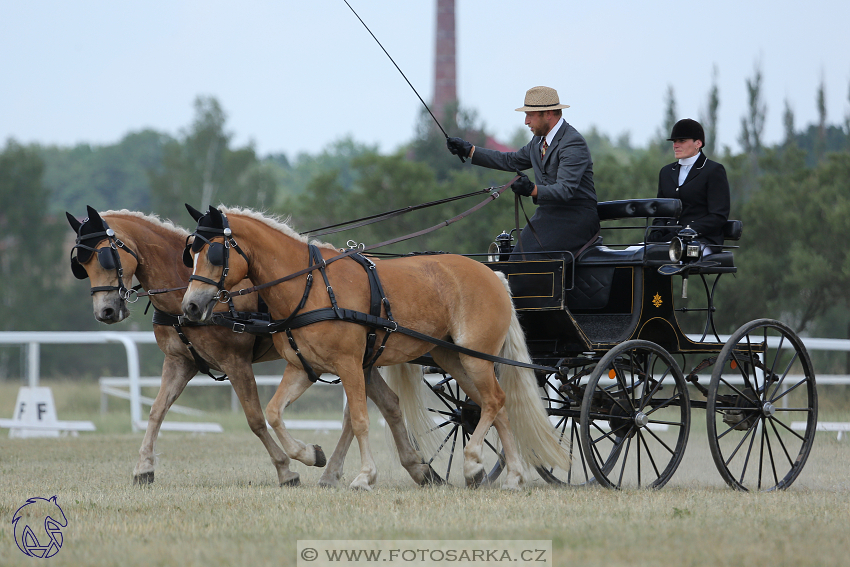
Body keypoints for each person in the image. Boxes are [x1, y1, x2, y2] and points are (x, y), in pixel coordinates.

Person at [446, 86, 599, 260]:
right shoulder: (538, 141)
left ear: (548, 113)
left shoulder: (572, 143)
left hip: (576, 219)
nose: (526, 121)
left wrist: (531, 189)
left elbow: (565, 190)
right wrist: (470, 150)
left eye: (530, 115)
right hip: (549, 215)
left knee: (523, 261)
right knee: (516, 259)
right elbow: (510, 160)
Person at [649, 118, 730, 253]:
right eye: (674, 141)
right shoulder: (666, 172)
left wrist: (688, 230)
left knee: (667, 256)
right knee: (632, 255)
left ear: (698, 143)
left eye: (681, 141)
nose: (675, 145)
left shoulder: (713, 170)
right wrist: (657, 232)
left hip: (701, 240)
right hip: (669, 239)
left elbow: (718, 215)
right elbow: (661, 212)